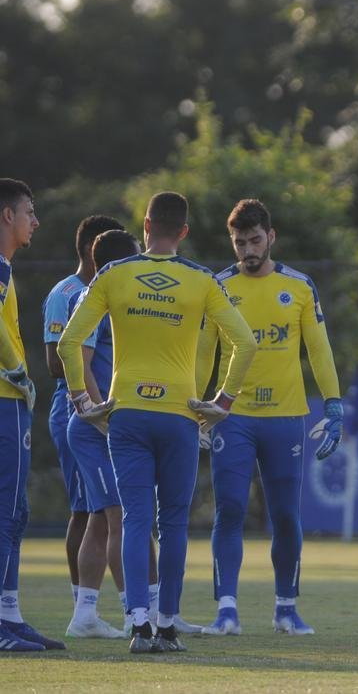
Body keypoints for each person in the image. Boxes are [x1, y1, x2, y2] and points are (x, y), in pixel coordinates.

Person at [58, 191, 257, 654]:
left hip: (125, 413)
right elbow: (245, 343)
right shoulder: (202, 280)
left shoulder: (113, 273)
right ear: (183, 231)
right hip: (180, 416)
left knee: (134, 520)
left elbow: (70, 342)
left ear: (145, 225)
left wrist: (82, 401)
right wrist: (222, 402)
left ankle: (138, 625)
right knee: (173, 525)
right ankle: (167, 625)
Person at [195, 199, 345, 637]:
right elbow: (206, 351)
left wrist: (333, 405)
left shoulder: (299, 286)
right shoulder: (217, 285)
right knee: (230, 509)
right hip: (232, 416)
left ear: (271, 236)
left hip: (286, 417)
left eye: (255, 240)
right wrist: (193, 404)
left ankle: (286, 609)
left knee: (284, 515)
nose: (248, 250)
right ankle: (226, 610)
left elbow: (318, 348)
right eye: (240, 242)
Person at [64, 229, 146, 639]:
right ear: (116, 264)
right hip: (94, 429)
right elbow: (78, 356)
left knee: (101, 521)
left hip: (101, 427)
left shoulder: (112, 298)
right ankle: (135, 612)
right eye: (135, 258)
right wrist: (97, 413)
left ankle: (85, 614)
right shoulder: (95, 301)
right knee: (119, 520)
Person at [42, 215, 124, 613]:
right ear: (93, 247)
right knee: (87, 508)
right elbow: (60, 360)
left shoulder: (111, 292)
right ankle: (83, 603)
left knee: (101, 509)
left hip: (98, 407)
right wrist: (91, 403)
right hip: (73, 407)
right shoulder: (70, 292)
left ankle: (92, 607)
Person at [0, 178, 60, 652]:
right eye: (29, 212)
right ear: (7, 216)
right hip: (4, 401)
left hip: (9, 400)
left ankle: (10, 613)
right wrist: (18, 370)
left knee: (14, 510)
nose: (34, 222)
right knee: (9, 510)